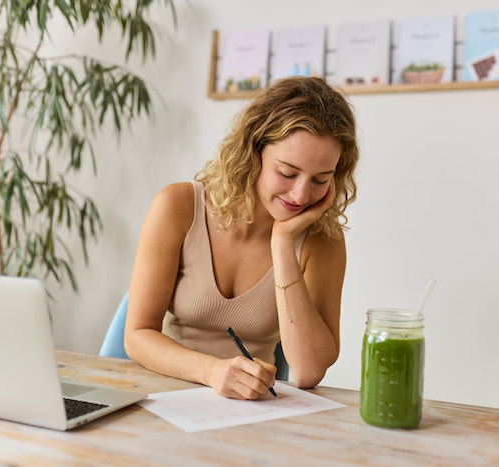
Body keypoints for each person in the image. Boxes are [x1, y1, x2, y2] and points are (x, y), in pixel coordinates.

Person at [124, 76, 359, 400]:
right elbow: (137, 335)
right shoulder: (177, 206)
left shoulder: (322, 241)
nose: (301, 194)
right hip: (162, 395)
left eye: (320, 179)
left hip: (249, 409)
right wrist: (211, 371)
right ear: (254, 152)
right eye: (287, 173)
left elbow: (308, 370)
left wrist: (283, 243)